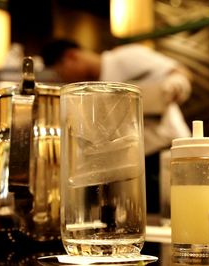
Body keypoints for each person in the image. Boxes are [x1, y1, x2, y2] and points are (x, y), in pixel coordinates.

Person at [41, 39, 192, 213]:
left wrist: (175, 85)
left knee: (176, 214)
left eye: (62, 72)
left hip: (166, 151)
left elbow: (181, 72)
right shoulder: (91, 91)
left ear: (71, 57)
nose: (65, 78)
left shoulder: (125, 57)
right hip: (132, 165)